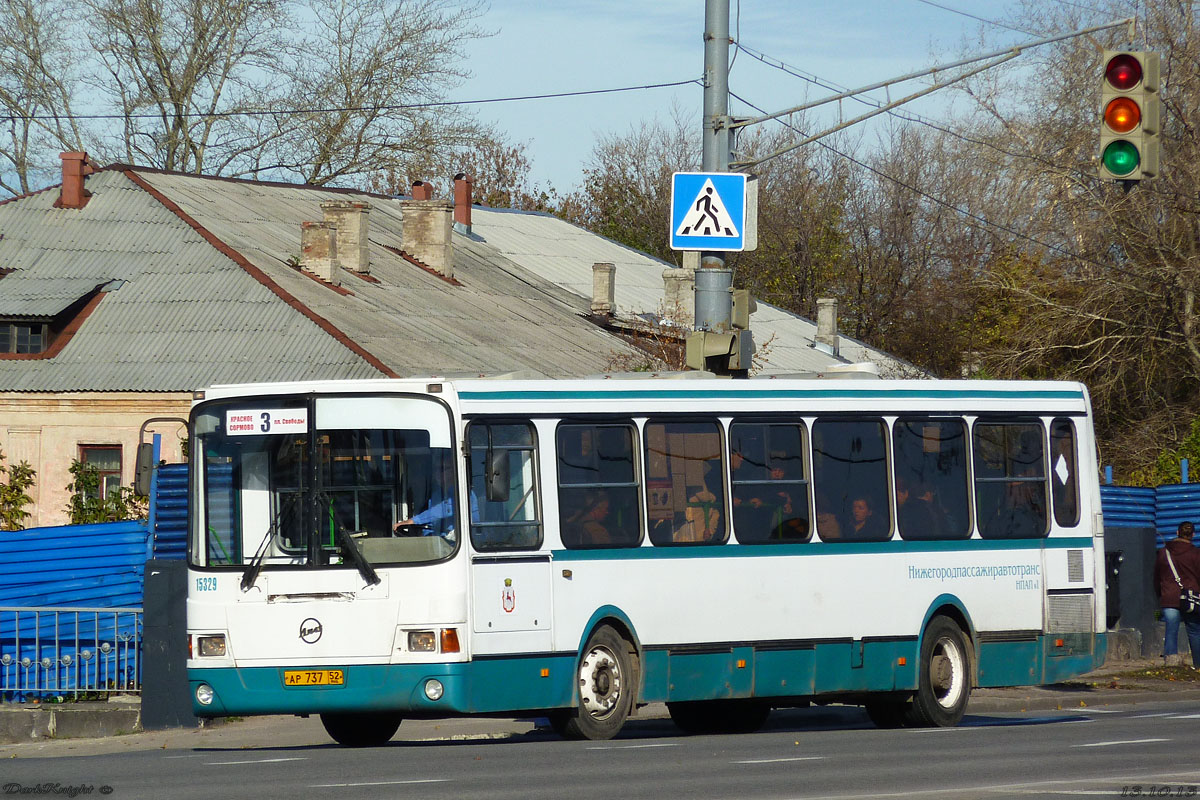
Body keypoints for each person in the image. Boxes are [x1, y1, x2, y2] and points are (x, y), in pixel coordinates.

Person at [1154, 521, 1200, 668]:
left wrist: (1159, 594)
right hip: (1191, 598)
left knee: (1171, 629)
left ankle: (1171, 664)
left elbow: (1156, 576)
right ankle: (1198, 665)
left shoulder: (1163, 553)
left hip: (1169, 597)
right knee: (1194, 631)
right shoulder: (1196, 554)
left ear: (1177, 532)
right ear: (1193, 535)